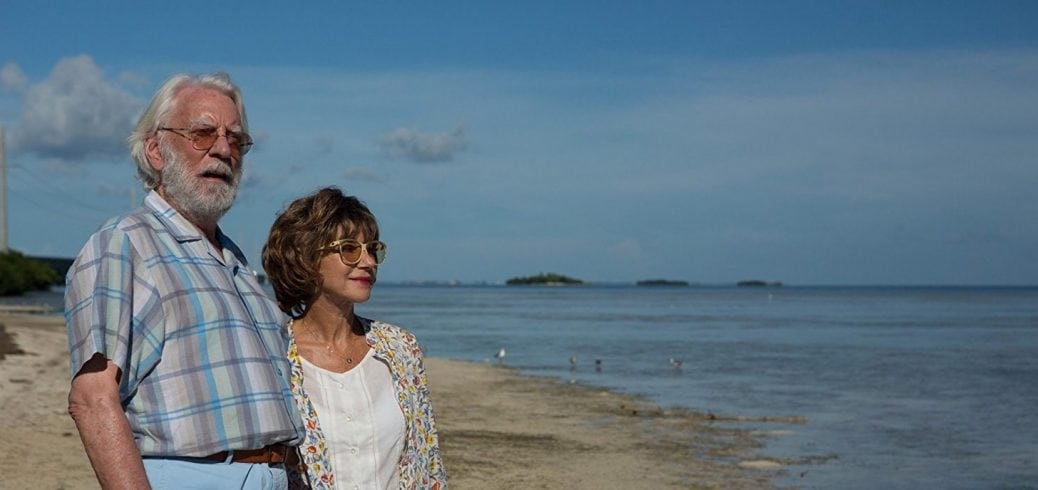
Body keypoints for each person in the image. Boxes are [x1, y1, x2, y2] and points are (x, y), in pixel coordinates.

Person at [65, 73, 304, 489]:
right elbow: (92, 398)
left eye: (236, 139)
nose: (223, 149)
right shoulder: (124, 243)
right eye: (202, 133)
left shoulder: (234, 261)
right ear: (156, 150)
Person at [262, 187, 447, 489]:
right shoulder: (274, 355)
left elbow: (427, 464)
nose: (369, 262)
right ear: (306, 258)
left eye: (372, 249)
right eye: (349, 248)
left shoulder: (400, 349)